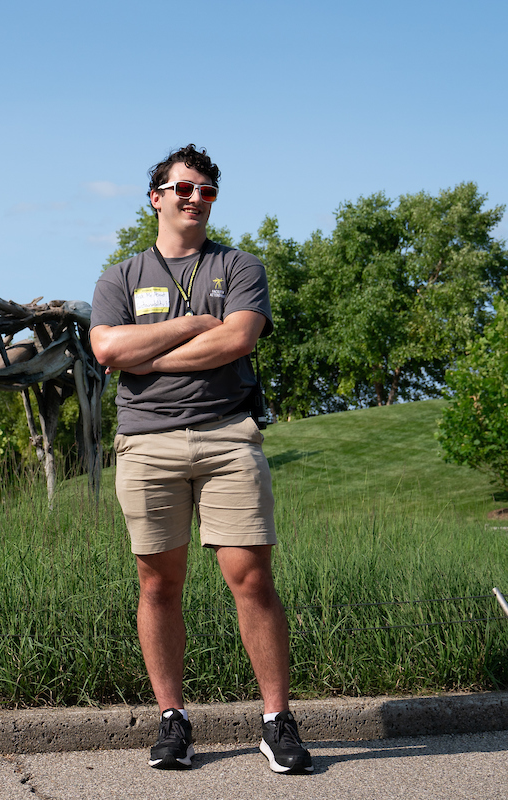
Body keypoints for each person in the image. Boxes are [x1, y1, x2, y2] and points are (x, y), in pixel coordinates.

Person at [89, 144, 312, 774]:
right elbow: (106, 344)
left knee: (252, 580)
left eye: (206, 190)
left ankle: (276, 722)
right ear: (156, 197)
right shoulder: (120, 277)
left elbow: (238, 337)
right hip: (146, 443)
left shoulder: (240, 267)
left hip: (227, 437)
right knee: (158, 585)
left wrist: (148, 356)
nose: (195, 197)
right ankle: (173, 722)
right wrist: (192, 327)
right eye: (183, 188)